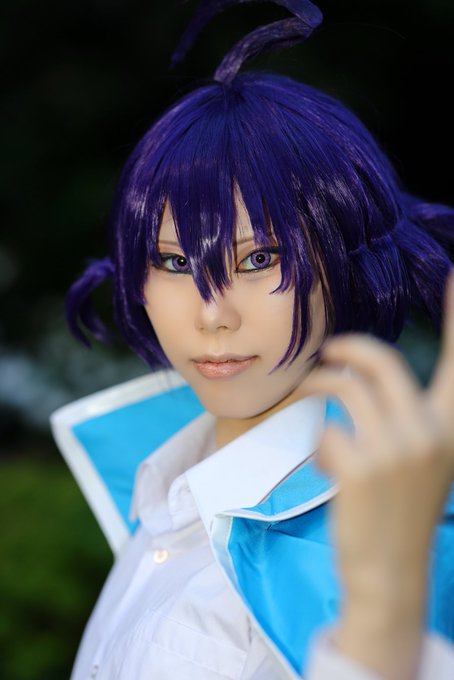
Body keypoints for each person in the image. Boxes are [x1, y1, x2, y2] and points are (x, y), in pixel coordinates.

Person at [54, 0, 454, 677]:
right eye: (175, 262)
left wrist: (385, 605)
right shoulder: (158, 491)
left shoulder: (378, 541)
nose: (213, 315)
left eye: (260, 258)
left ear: (345, 259)